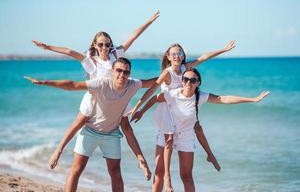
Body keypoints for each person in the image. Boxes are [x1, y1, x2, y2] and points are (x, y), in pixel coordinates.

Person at [32, 11, 160, 178]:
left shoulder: (115, 55)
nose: (105, 48)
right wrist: (47, 47)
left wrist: (149, 21)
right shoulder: (91, 61)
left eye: (107, 44)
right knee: (79, 122)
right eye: (101, 45)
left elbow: (133, 36)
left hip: (117, 98)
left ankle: (141, 161)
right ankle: (58, 150)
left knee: (126, 127)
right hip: (95, 99)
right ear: (95, 45)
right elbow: (70, 51)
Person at [25, 58, 157, 192]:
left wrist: (173, 74)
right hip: (90, 131)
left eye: (126, 72)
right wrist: (45, 82)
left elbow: (156, 82)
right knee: (77, 168)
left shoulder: (132, 84)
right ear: (112, 71)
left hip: (111, 134)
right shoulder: (101, 84)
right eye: (118, 70)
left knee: (115, 171)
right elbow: (73, 85)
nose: (122, 75)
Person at [132, 68, 270, 192]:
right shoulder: (172, 94)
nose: (188, 83)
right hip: (166, 133)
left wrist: (252, 99)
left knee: (186, 176)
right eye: (185, 79)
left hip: (186, 136)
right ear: (182, 80)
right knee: (160, 172)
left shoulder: (200, 96)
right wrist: (141, 112)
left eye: (193, 80)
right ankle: (167, 183)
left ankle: (209, 157)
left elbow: (224, 98)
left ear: (198, 83)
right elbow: (155, 98)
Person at [129, 41, 235, 191]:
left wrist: (223, 49)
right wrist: (137, 107)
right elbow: (152, 91)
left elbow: (204, 57)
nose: (177, 56)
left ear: (183, 55)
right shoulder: (167, 72)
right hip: (167, 110)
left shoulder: (186, 69)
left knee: (197, 128)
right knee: (167, 148)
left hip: (181, 110)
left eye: (180, 53)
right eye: (174, 54)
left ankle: (209, 155)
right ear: (168, 56)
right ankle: (167, 179)